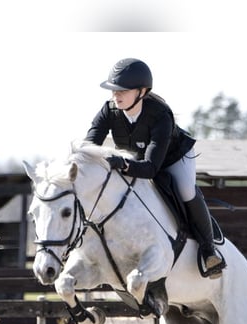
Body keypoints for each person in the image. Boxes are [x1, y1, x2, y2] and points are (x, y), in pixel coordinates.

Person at [84, 58, 225, 279]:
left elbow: (150, 169)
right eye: (113, 90)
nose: (116, 95)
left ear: (142, 92)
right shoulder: (108, 111)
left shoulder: (160, 115)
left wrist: (123, 164)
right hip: (139, 160)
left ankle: (209, 251)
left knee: (186, 190)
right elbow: (88, 147)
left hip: (173, 158)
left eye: (122, 90)